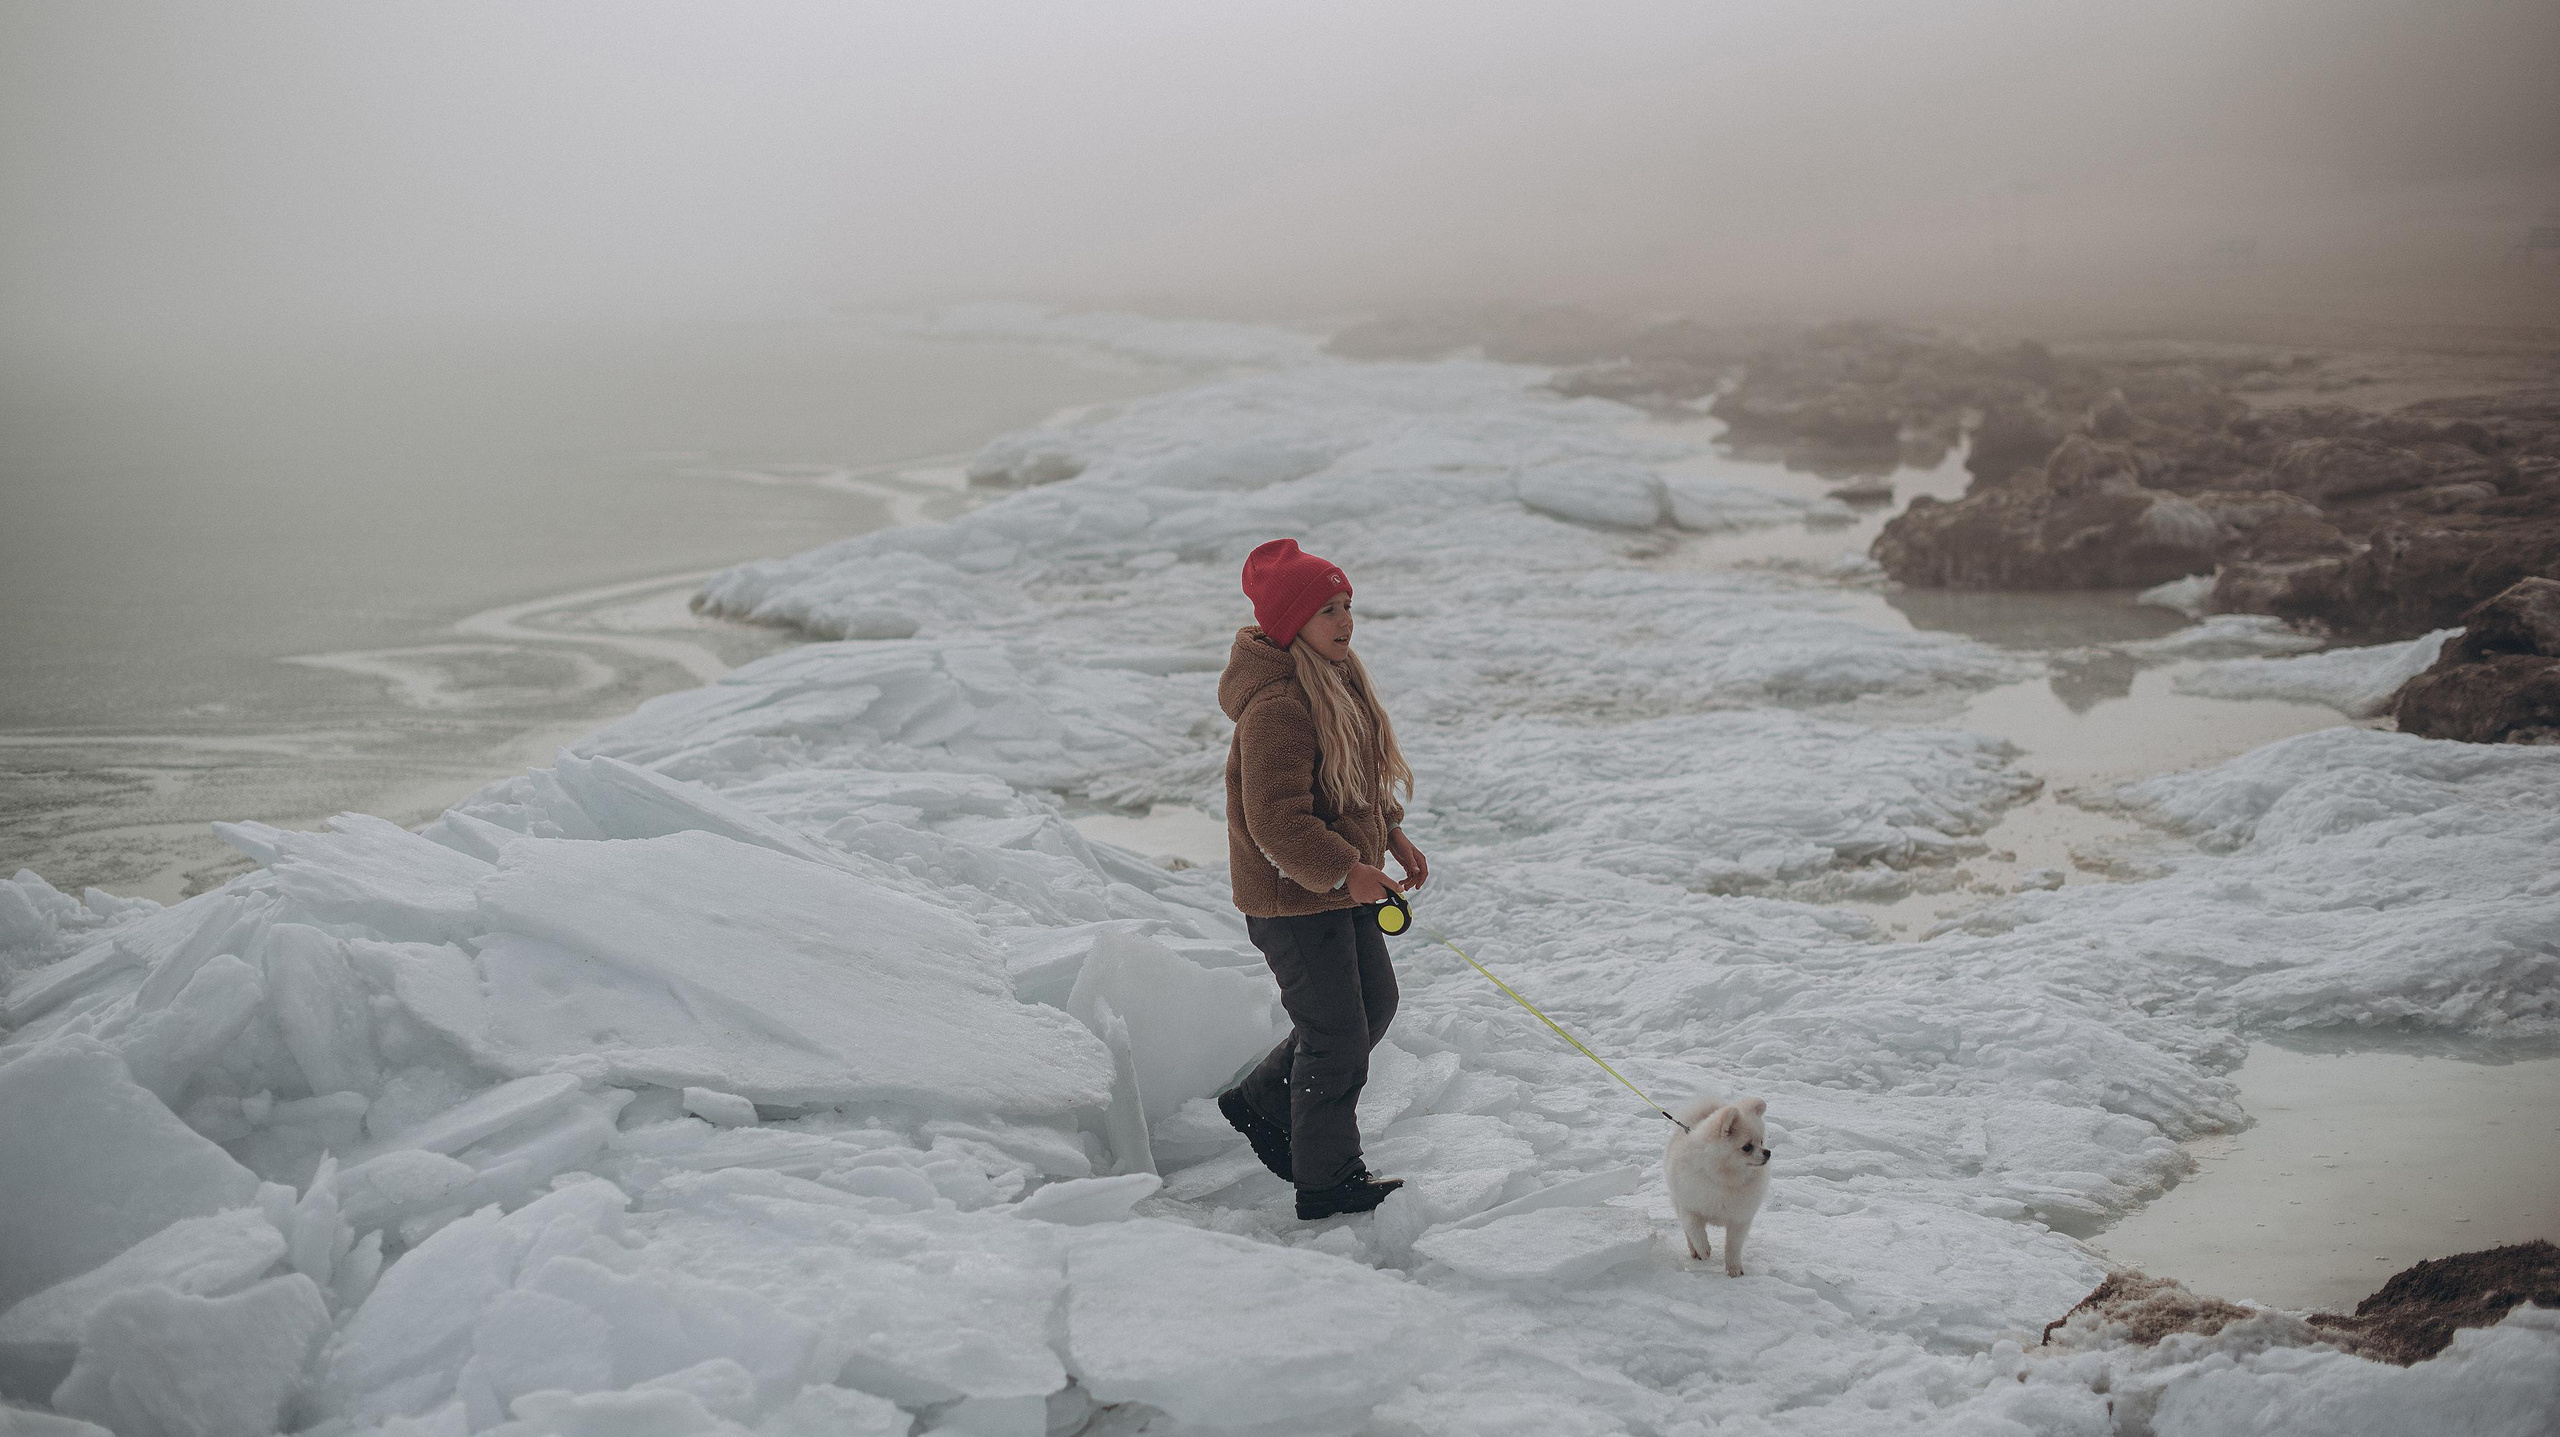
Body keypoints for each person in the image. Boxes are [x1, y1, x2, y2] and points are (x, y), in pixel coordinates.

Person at [1215, 538, 1429, 1220]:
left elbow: (1351, 782)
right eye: (1326, 610)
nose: (1344, 621)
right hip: (1291, 901)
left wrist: (1388, 830)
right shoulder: (1277, 706)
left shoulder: (1336, 679)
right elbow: (1276, 821)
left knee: (1373, 1007)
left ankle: (1263, 1102)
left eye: (1346, 605)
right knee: (1335, 1032)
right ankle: (1327, 1179)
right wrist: (1347, 869)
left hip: (1339, 887)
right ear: (1290, 622)